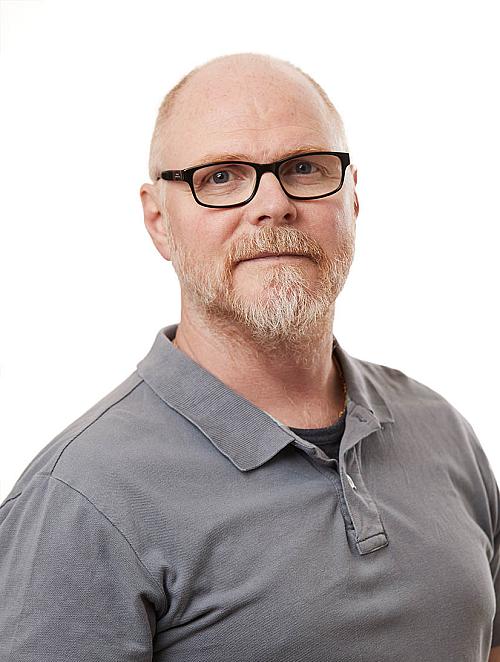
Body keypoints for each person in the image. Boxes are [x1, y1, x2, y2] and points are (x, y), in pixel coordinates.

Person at [0, 52, 499, 662]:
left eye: (305, 168)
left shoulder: (441, 430)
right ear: (158, 221)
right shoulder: (79, 501)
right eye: (220, 178)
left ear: (353, 198)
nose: (273, 204)